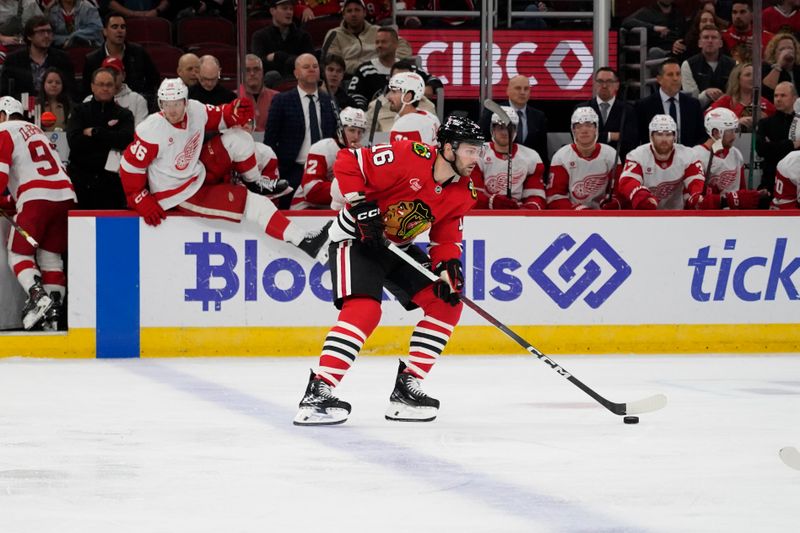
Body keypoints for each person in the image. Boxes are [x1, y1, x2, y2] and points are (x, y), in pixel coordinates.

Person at [293, 116, 486, 426]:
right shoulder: (409, 155)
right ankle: (319, 390)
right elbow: (348, 159)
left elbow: (447, 235)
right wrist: (360, 202)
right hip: (355, 239)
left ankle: (408, 389)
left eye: (478, 152)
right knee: (365, 310)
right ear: (448, 148)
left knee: (447, 303)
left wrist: (448, 266)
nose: (475, 159)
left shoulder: (465, 191)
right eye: (470, 150)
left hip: (397, 247)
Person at [119, 78, 332, 260]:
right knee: (257, 205)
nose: (171, 110)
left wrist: (234, 112)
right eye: (166, 104)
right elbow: (129, 165)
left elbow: (220, 116)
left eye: (176, 103)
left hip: (196, 170)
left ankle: (255, 182)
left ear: (185, 101)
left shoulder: (195, 109)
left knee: (239, 137)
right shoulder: (151, 130)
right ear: (159, 104)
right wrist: (137, 195)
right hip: (178, 193)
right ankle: (305, 241)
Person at [0, 95, 76, 331]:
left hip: (35, 199)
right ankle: (52, 320)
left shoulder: (3, 131)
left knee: (18, 255)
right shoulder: (37, 131)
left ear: (2, 115)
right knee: (51, 258)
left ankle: (37, 295)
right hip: (66, 196)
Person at [264, 53, 337, 207]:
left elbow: (334, 136)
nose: (312, 69)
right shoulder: (282, 101)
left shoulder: (329, 101)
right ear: (296, 73)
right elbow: (270, 140)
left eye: (315, 66)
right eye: (306, 67)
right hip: (291, 170)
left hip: (324, 172)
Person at [67, 67, 134, 209]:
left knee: (113, 228)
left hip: (112, 183)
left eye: (109, 85)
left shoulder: (125, 114)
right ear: (92, 86)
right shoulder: (79, 111)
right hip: (81, 182)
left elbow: (125, 141)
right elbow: (75, 142)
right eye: (101, 84)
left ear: (115, 87)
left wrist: (96, 132)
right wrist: (110, 139)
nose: (105, 88)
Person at [617, 114, 706, 210]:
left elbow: (696, 182)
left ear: (675, 136)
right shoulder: (637, 155)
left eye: (668, 134)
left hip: (676, 215)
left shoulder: (689, 155)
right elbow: (627, 181)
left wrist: (697, 197)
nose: (664, 139)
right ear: (651, 136)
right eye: (659, 134)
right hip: (645, 215)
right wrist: (641, 196)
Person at [291, 106, 366, 210]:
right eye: (352, 130)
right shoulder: (322, 148)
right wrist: (349, 190)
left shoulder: (362, 154)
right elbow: (311, 191)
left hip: (337, 208)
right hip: (307, 208)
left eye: (360, 132)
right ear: (340, 130)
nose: (356, 137)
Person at [691, 107, 766, 209]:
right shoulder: (695, 156)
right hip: (708, 217)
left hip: (732, 216)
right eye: (730, 131)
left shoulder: (735, 154)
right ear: (715, 132)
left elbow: (740, 190)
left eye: (734, 131)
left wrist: (753, 195)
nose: (734, 136)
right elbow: (697, 199)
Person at [472, 105, 545, 210]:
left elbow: (536, 195)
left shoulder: (531, 157)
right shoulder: (477, 153)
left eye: (509, 128)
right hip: (485, 215)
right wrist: (492, 202)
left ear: (516, 130)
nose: (505, 132)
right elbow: (473, 193)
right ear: (493, 129)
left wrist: (528, 209)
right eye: (500, 127)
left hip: (518, 216)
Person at [547, 107, 620, 210]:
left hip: (603, 216)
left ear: (596, 129)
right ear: (573, 130)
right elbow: (554, 196)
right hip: (572, 216)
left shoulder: (611, 155)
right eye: (579, 126)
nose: (584, 130)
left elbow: (619, 192)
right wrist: (578, 210)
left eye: (589, 125)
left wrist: (614, 202)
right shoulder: (561, 157)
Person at [82, 12, 160, 105]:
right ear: (105, 31)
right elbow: (87, 90)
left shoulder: (138, 52)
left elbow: (154, 80)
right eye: (115, 27)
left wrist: (143, 99)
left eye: (123, 27)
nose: (120, 30)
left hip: (135, 104)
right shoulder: (92, 59)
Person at [479, 75, 549, 173]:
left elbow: (542, 152)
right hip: (494, 170)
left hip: (527, 172)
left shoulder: (538, 117)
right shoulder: (493, 112)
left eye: (526, 89)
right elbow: (481, 143)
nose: (522, 92)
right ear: (508, 90)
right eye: (518, 88)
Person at [322, 0, 412, 75]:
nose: (353, 14)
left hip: (379, 74)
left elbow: (404, 47)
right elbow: (332, 61)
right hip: (347, 77)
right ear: (343, 15)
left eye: (357, 10)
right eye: (349, 11)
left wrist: (385, 61)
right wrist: (364, 67)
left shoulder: (378, 31)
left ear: (364, 13)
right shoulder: (334, 34)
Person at [0, 15, 76, 100]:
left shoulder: (63, 59)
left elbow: (71, 92)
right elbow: (5, 93)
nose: (46, 35)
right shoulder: (13, 60)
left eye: (49, 31)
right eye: (41, 32)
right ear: (29, 36)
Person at [635, 59, 705, 147]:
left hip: (687, 157)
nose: (675, 78)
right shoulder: (644, 106)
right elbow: (639, 138)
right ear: (659, 79)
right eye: (670, 75)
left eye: (678, 74)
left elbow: (701, 137)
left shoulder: (693, 105)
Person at [577, 67, 638, 161]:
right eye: (600, 81)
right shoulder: (582, 109)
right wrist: (611, 136)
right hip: (587, 162)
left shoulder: (628, 110)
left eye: (609, 81)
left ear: (617, 85)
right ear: (594, 84)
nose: (604, 85)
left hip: (618, 163)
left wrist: (596, 136)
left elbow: (631, 140)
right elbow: (580, 138)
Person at [250, 0, 314, 86]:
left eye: (291, 9)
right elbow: (257, 65)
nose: (289, 12)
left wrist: (278, 56)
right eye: (284, 8)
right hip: (270, 85)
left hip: (298, 84)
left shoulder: (303, 36)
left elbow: (308, 64)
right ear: (272, 11)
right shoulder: (260, 36)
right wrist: (294, 60)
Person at [756, 81, 799, 192]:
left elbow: (769, 149)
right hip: (771, 181)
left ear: (794, 98)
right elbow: (761, 149)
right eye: (776, 95)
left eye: (783, 95)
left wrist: (774, 146)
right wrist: (792, 144)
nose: (778, 99)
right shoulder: (765, 123)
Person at [346, 26, 403, 109]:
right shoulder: (364, 70)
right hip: (373, 117)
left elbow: (428, 83)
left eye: (384, 42)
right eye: (377, 42)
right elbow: (353, 95)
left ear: (395, 44)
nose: (379, 45)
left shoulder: (408, 69)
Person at [709, 62, 776, 132]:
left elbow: (778, 123)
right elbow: (708, 119)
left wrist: (766, 121)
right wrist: (735, 123)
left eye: (755, 75)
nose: (753, 78)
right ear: (737, 79)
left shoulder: (764, 102)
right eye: (748, 75)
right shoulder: (726, 101)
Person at [680, 25, 736, 109]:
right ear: (699, 43)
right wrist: (706, 94)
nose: (710, 41)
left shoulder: (733, 64)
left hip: (728, 110)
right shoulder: (687, 65)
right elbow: (691, 101)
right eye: (706, 37)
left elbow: (737, 95)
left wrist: (723, 99)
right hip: (699, 112)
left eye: (714, 37)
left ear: (720, 43)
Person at [85, 55, 148, 125]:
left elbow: (141, 132)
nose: (111, 77)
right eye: (108, 73)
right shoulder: (88, 101)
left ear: (123, 76)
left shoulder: (137, 100)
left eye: (115, 73)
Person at [621, 0, 688, 59]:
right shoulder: (647, 12)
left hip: (677, 50)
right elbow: (626, 22)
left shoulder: (678, 13)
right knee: (655, 52)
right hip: (659, 50)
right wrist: (654, 27)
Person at [387, 71, 440, 144]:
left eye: (394, 92)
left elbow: (402, 155)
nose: (389, 97)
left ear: (408, 96)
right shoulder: (430, 117)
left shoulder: (404, 124)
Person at [243, 53, 278, 133]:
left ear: (262, 72)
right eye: (247, 70)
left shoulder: (277, 98)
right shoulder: (232, 98)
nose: (252, 74)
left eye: (256, 69)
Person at [762, 33, 800, 102]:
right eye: (782, 49)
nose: (787, 51)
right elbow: (766, 91)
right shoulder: (767, 68)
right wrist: (779, 64)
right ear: (774, 52)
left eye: (790, 48)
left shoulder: (798, 68)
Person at [38, 66, 72, 131]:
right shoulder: (36, 105)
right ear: (43, 84)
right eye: (50, 82)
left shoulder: (70, 106)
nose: (54, 85)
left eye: (58, 83)